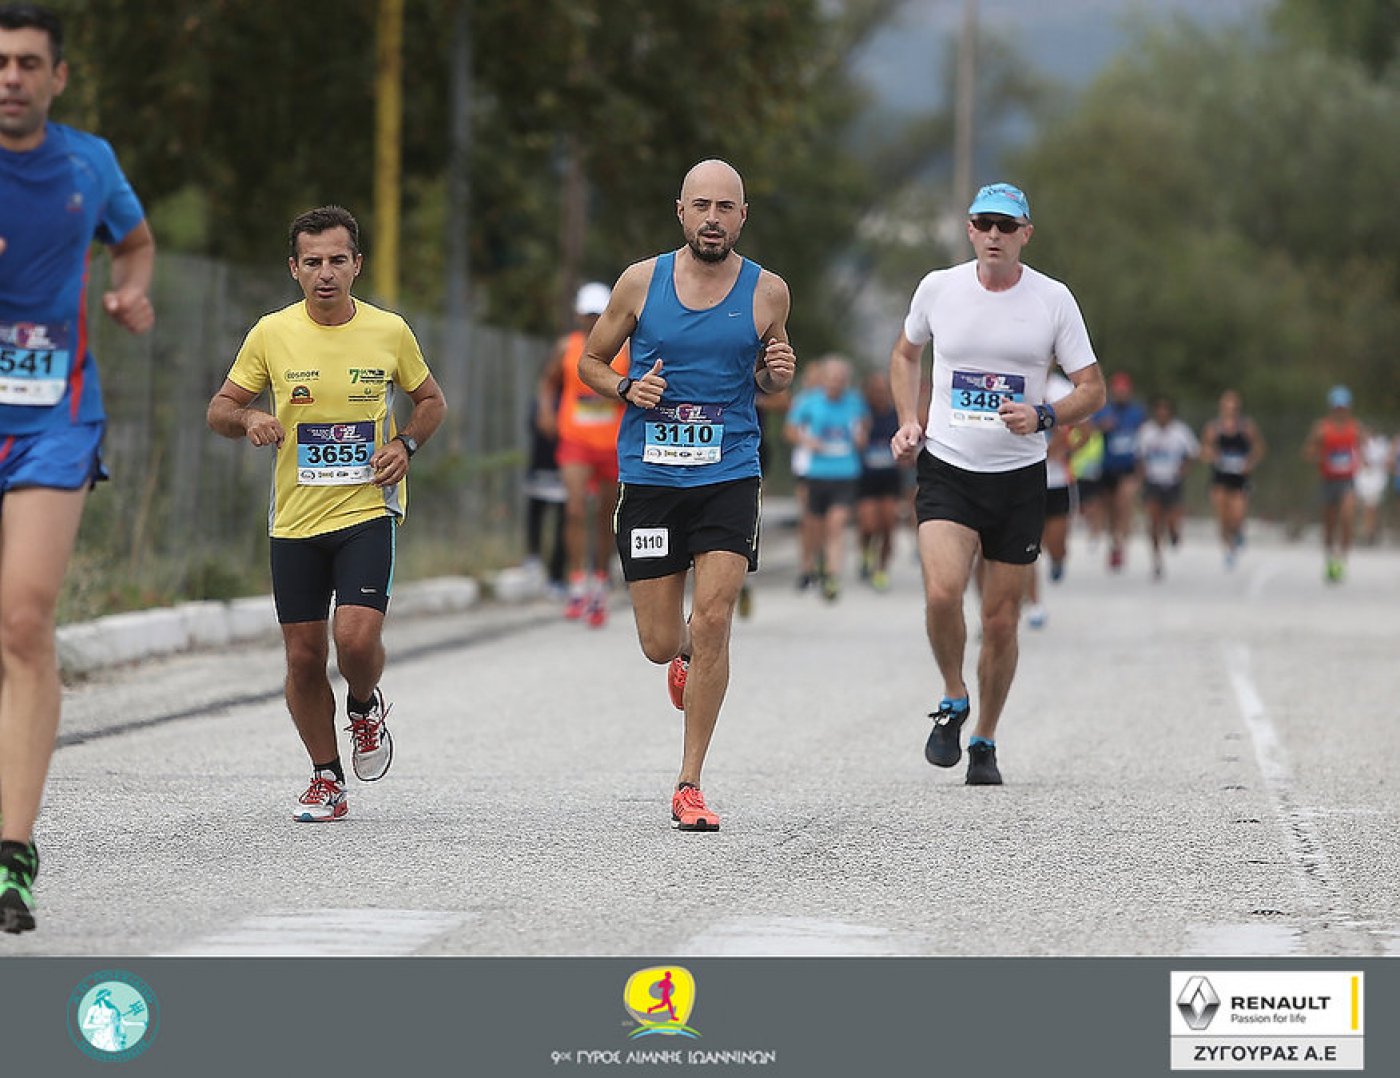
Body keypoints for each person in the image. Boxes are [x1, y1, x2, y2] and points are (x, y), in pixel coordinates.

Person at [207, 205, 446, 822]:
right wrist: (250, 416)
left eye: (338, 260)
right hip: (295, 520)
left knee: (355, 640)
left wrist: (405, 444)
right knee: (303, 658)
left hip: (367, 510)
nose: (326, 273)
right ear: (294, 268)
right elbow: (220, 408)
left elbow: (430, 401)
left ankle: (364, 704)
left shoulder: (389, 331)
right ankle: (326, 777)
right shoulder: (271, 333)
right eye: (312, 262)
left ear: (357, 264)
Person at [577, 158, 796, 831]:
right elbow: (590, 361)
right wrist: (625, 387)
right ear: (681, 212)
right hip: (651, 478)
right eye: (701, 206)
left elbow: (770, 379)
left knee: (714, 621)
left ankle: (689, 783)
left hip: (729, 473)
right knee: (660, 640)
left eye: (725, 207)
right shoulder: (640, 283)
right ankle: (681, 659)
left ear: (742, 217)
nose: (712, 219)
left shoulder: (768, 292)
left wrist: (777, 372)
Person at [0, 3, 156, 935]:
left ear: (57, 77)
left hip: (54, 415)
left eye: (28, 62)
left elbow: (133, 240)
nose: (10, 77)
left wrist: (131, 289)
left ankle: (11, 853)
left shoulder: (88, 164)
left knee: (23, 618)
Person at [889, 182, 1105, 786]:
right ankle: (953, 694)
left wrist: (1043, 415)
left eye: (1006, 226)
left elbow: (1092, 389)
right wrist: (908, 420)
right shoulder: (939, 288)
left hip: (1018, 477)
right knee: (942, 593)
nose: (993, 235)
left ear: (1025, 234)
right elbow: (905, 355)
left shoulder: (1052, 300)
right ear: (969, 229)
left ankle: (984, 737)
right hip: (948, 467)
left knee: (1002, 619)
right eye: (984, 224)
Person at [537, 281, 630, 626]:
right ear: (579, 315)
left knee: (605, 517)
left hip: (612, 443)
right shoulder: (568, 347)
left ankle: (600, 585)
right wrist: (545, 411)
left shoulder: (626, 350)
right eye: (588, 314)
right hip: (575, 440)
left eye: (598, 314)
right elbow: (548, 382)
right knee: (575, 509)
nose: (592, 320)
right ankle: (577, 584)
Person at [783, 356, 868, 602]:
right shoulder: (809, 402)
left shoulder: (855, 402)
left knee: (836, 524)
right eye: (832, 378)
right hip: (816, 472)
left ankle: (832, 575)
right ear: (824, 379)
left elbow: (863, 429)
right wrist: (807, 441)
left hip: (845, 472)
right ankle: (810, 564)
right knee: (813, 526)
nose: (836, 383)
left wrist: (860, 438)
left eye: (840, 379)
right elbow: (790, 431)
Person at [1135, 394, 1199, 581]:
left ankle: (1174, 532)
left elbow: (1192, 453)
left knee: (1172, 519)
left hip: (1172, 482)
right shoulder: (1146, 432)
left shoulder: (1181, 432)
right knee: (1153, 522)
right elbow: (1139, 456)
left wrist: (1183, 470)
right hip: (1153, 482)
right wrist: (1142, 475)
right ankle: (1156, 559)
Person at [1199, 389, 1265, 568]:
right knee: (1222, 516)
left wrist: (1249, 463)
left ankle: (1238, 533)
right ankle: (1228, 549)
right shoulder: (1213, 428)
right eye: (1226, 406)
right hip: (1220, 478)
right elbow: (1204, 450)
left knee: (1237, 515)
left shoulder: (1246, 427)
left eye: (1233, 407)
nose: (1230, 410)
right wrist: (1211, 455)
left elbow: (1258, 448)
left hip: (1239, 479)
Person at [1303, 384, 1362, 583]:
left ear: (1349, 408)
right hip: (1328, 481)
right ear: (1331, 408)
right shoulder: (1321, 428)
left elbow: (1364, 448)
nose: (1340, 411)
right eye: (1337, 407)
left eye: (1343, 407)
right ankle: (1330, 556)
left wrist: (1363, 460)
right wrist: (1319, 456)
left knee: (1347, 517)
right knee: (1329, 525)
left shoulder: (1356, 428)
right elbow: (1308, 451)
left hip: (1347, 480)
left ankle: (1342, 557)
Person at [1093, 371, 1146, 571]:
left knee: (1124, 504)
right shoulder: (1104, 411)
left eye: (1124, 391)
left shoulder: (1137, 413)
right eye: (1118, 390)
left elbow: (1144, 439)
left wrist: (1142, 469)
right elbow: (1091, 430)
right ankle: (1113, 542)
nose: (1121, 394)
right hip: (1108, 468)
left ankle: (1121, 544)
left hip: (1128, 468)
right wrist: (1102, 427)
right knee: (1111, 511)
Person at [856, 369, 903, 592]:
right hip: (867, 478)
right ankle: (866, 552)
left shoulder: (896, 415)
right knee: (869, 524)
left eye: (883, 390)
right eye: (875, 391)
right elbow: (854, 442)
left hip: (890, 478)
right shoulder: (862, 415)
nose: (879, 394)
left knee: (888, 525)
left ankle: (881, 569)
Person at [1355, 427, 1392, 547]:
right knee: (1362, 508)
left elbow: (1387, 462)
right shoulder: (1357, 445)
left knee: (1371, 508)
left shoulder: (1380, 445)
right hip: (1360, 480)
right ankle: (1367, 531)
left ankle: (1369, 533)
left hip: (1375, 481)